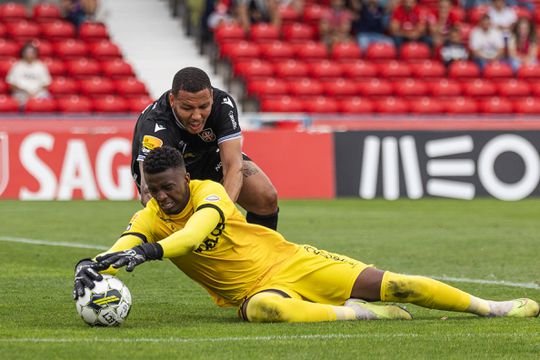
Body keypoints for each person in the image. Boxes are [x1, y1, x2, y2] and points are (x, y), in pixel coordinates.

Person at [73, 146, 540, 323]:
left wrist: (151, 253)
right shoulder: (151, 215)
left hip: (293, 261)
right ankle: (359, 316)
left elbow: (194, 236)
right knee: (263, 309)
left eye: (168, 187)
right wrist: (94, 263)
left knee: (400, 285)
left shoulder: (210, 191)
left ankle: (493, 308)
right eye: (153, 191)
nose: (162, 197)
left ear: (184, 180)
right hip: (258, 291)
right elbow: (126, 242)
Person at [131, 67, 279, 230]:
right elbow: (148, 190)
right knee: (189, 229)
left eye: (203, 106)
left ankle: (260, 251)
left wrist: (220, 215)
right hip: (170, 171)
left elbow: (233, 166)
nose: (196, 116)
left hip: (207, 157)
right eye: (187, 108)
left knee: (265, 196)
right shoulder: (155, 126)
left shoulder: (223, 104)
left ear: (212, 97)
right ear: (173, 101)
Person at [6, 42, 51, 108]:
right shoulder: (17, 66)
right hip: (21, 93)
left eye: (32, 52)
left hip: (38, 93)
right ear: (23, 53)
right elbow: (12, 85)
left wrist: (34, 93)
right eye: (27, 52)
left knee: (46, 97)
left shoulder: (41, 66)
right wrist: (26, 92)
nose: (29, 54)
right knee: (17, 99)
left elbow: (46, 84)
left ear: (36, 54)